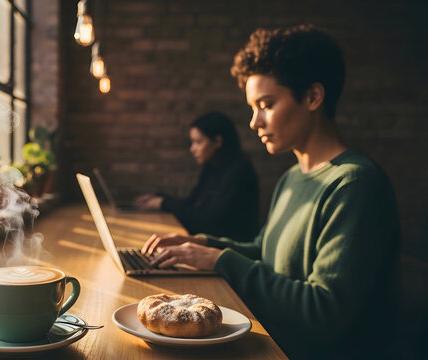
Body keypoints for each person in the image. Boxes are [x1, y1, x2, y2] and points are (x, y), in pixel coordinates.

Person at [142, 25, 400, 359]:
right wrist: (202, 245)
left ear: (312, 97)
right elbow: (264, 252)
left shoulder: (355, 184)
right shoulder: (292, 177)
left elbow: (323, 312)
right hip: (271, 337)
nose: (254, 122)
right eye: (253, 107)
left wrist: (221, 261)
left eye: (266, 104)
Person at [134, 112, 259, 241]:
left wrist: (163, 203)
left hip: (228, 249)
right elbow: (192, 204)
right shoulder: (212, 167)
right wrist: (160, 198)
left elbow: (206, 221)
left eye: (198, 142)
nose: (192, 149)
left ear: (217, 141)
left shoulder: (239, 172)